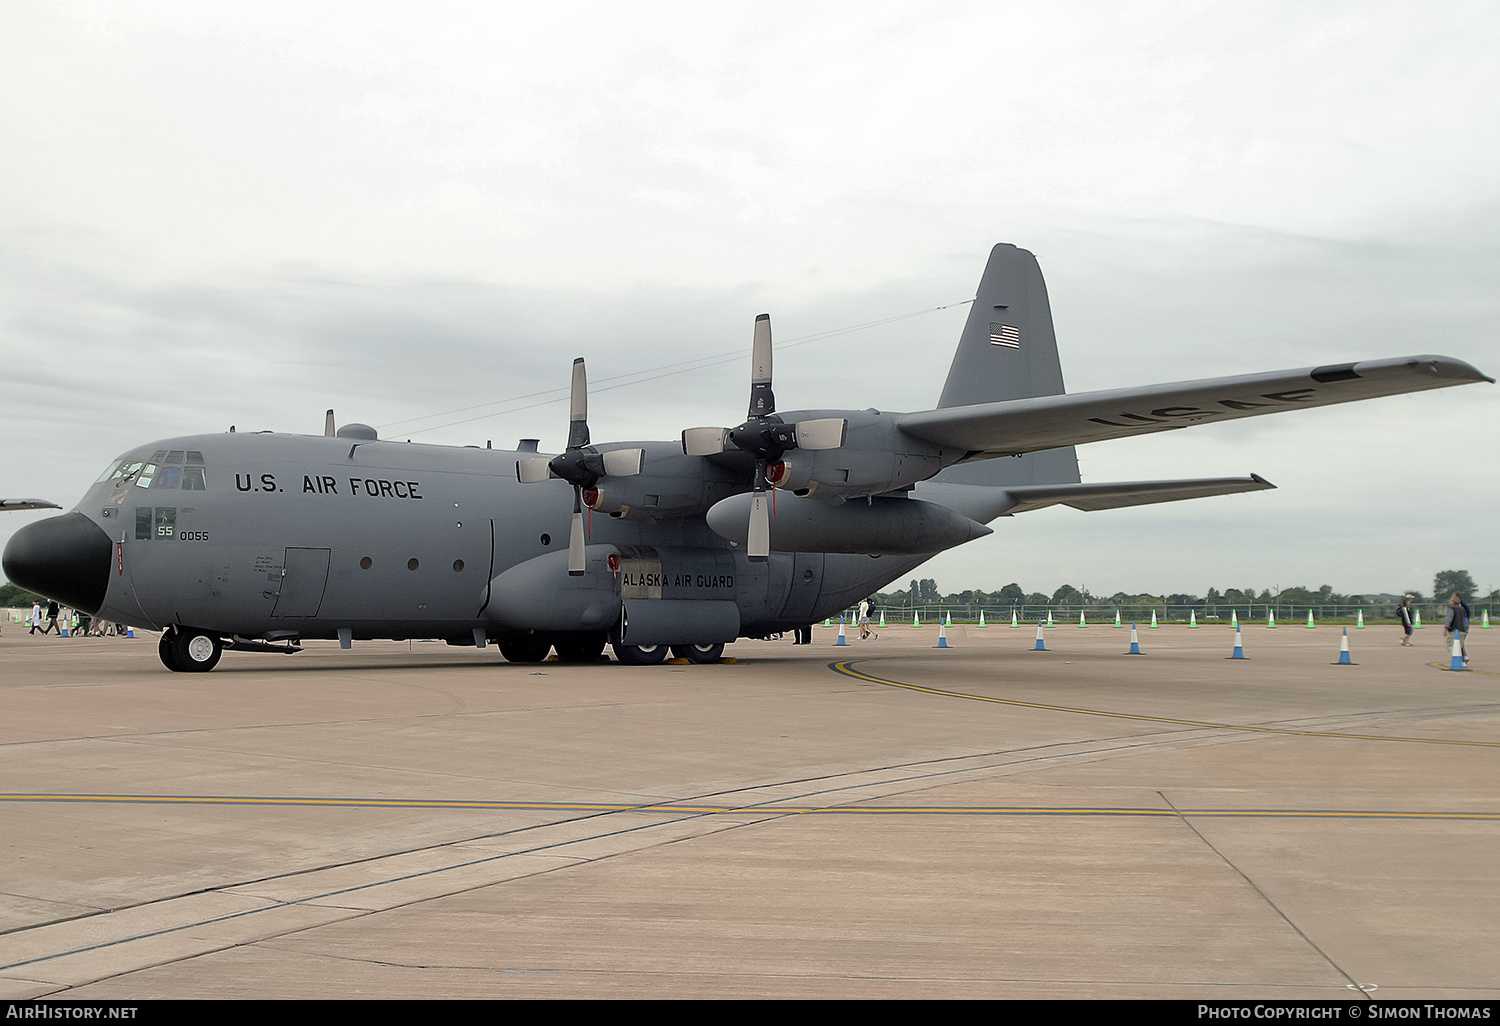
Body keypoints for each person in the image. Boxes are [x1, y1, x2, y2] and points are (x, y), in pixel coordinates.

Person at [1445, 592, 1471, 666]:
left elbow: (1449, 619)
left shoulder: (1454, 608)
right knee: (1460, 644)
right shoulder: (1463, 608)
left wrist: (1446, 627)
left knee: (1453, 644)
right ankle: (1464, 657)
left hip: (1456, 628)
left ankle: (1460, 657)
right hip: (1463, 627)